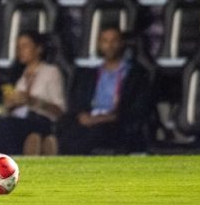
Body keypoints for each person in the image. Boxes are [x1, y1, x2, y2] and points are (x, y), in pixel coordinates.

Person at [58, 26, 151, 155]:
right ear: (99, 44)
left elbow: (137, 108)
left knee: (91, 135)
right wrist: (82, 115)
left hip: (115, 122)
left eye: (114, 41)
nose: (109, 45)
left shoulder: (135, 75)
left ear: (122, 43)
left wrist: (105, 118)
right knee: (66, 126)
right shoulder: (89, 74)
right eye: (105, 41)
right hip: (90, 117)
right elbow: (78, 102)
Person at [0, 30, 66, 156]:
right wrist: (9, 105)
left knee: (7, 127)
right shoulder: (20, 76)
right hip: (19, 120)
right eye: (18, 47)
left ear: (38, 49)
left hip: (40, 120)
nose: (20, 51)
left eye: (25, 46)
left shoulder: (51, 72)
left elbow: (59, 110)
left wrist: (33, 101)